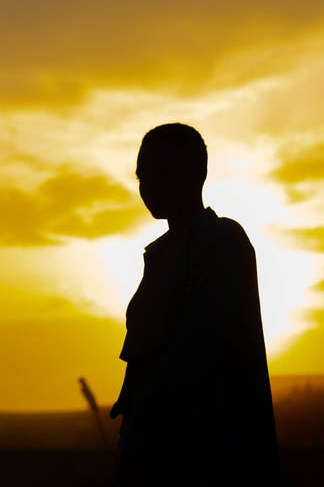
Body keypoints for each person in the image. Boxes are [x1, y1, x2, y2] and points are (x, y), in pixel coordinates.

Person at [110, 123, 279, 486]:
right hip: (155, 448)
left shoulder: (222, 242)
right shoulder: (160, 254)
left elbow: (199, 352)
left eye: (163, 173)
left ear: (196, 174)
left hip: (205, 454)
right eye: (143, 177)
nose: (149, 187)